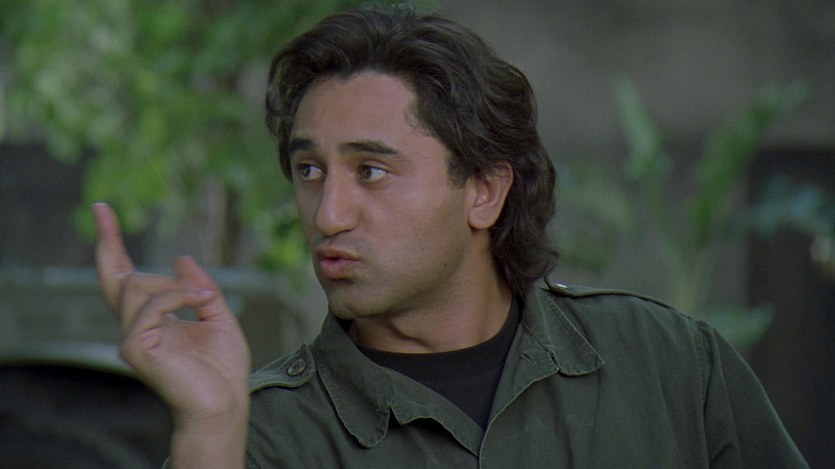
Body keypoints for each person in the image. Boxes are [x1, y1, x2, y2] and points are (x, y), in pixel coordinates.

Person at [94, 6, 808, 468]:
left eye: (371, 170)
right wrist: (210, 427)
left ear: (484, 191)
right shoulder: (259, 433)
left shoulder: (667, 365)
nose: (328, 213)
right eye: (309, 170)